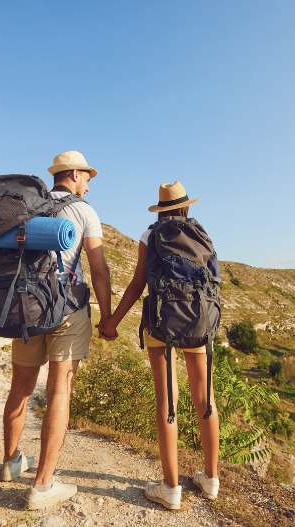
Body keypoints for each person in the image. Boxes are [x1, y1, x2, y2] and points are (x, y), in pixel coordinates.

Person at [0, 151, 114, 510]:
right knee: (59, 390)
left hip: (25, 308)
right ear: (75, 174)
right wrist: (107, 317)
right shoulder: (83, 211)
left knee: (20, 385)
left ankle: (10, 462)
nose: (89, 185)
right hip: (65, 310)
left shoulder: (30, 205)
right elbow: (98, 270)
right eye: (87, 178)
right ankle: (43, 485)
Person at [97, 181, 220, 510]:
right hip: (198, 321)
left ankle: (170, 488)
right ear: (186, 207)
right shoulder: (202, 234)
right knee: (205, 397)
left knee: (168, 402)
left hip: (162, 323)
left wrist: (111, 322)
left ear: (161, 209)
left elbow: (138, 284)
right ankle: (210, 481)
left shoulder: (150, 236)